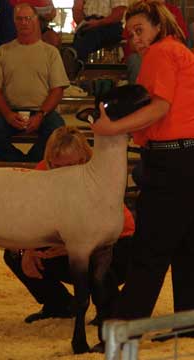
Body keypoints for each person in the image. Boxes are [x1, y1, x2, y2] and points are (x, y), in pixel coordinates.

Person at [90, 0, 194, 351]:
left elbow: (160, 108)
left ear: (157, 26)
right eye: (130, 32)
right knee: (185, 247)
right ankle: (188, 323)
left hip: (170, 161)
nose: (135, 38)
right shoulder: (177, 50)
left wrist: (111, 127)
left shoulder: (162, 53)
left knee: (149, 251)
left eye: (140, 30)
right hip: (188, 158)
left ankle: (121, 333)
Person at [4, 126, 135, 324]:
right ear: (49, 161)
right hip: (65, 239)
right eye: (57, 166)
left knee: (93, 256)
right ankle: (59, 305)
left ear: (84, 159)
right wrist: (28, 249)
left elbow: (105, 230)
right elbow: (29, 217)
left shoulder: (99, 176)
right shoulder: (41, 172)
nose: (63, 172)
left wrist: (67, 248)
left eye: (71, 166)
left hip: (116, 245)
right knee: (14, 254)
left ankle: (108, 310)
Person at [0, 3, 69, 162]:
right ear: (14, 22)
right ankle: (22, 163)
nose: (24, 23)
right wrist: (7, 114)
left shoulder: (50, 53)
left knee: (58, 132)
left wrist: (41, 115)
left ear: (36, 21)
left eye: (28, 18)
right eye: (19, 19)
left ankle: (29, 165)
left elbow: (58, 90)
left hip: (43, 112)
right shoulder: (2, 51)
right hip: (11, 111)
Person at [124, 0, 189, 84]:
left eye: (139, 30)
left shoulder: (165, 51)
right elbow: (129, 46)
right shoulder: (136, 16)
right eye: (131, 35)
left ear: (158, 27)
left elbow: (181, 39)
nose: (134, 40)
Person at [62, 0, 128, 81]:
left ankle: (75, 58)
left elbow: (118, 14)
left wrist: (98, 23)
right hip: (89, 23)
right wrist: (85, 23)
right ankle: (76, 61)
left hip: (110, 24)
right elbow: (77, 10)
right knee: (84, 33)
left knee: (93, 34)